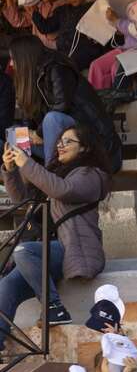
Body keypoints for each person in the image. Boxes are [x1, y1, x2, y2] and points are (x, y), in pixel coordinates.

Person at [0, 122, 109, 344]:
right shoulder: (53, 174)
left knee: (22, 251)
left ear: (85, 147)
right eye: (59, 141)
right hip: (46, 251)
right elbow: (22, 200)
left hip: (74, 250)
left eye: (68, 141)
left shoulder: (92, 175)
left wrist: (26, 162)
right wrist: (11, 170)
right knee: (7, 284)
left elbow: (62, 190)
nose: (60, 145)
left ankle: (54, 308)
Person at [7, 35, 122, 171]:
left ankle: (52, 174)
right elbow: (28, 117)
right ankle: (28, 180)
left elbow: (62, 106)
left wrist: (39, 134)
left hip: (94, 144)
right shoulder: (32, 79)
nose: (11, 64)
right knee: (15, 132)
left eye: (13, 59)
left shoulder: (57, 68)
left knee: (52, 119)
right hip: (61, 146)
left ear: (25, 58)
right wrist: (31, 133)